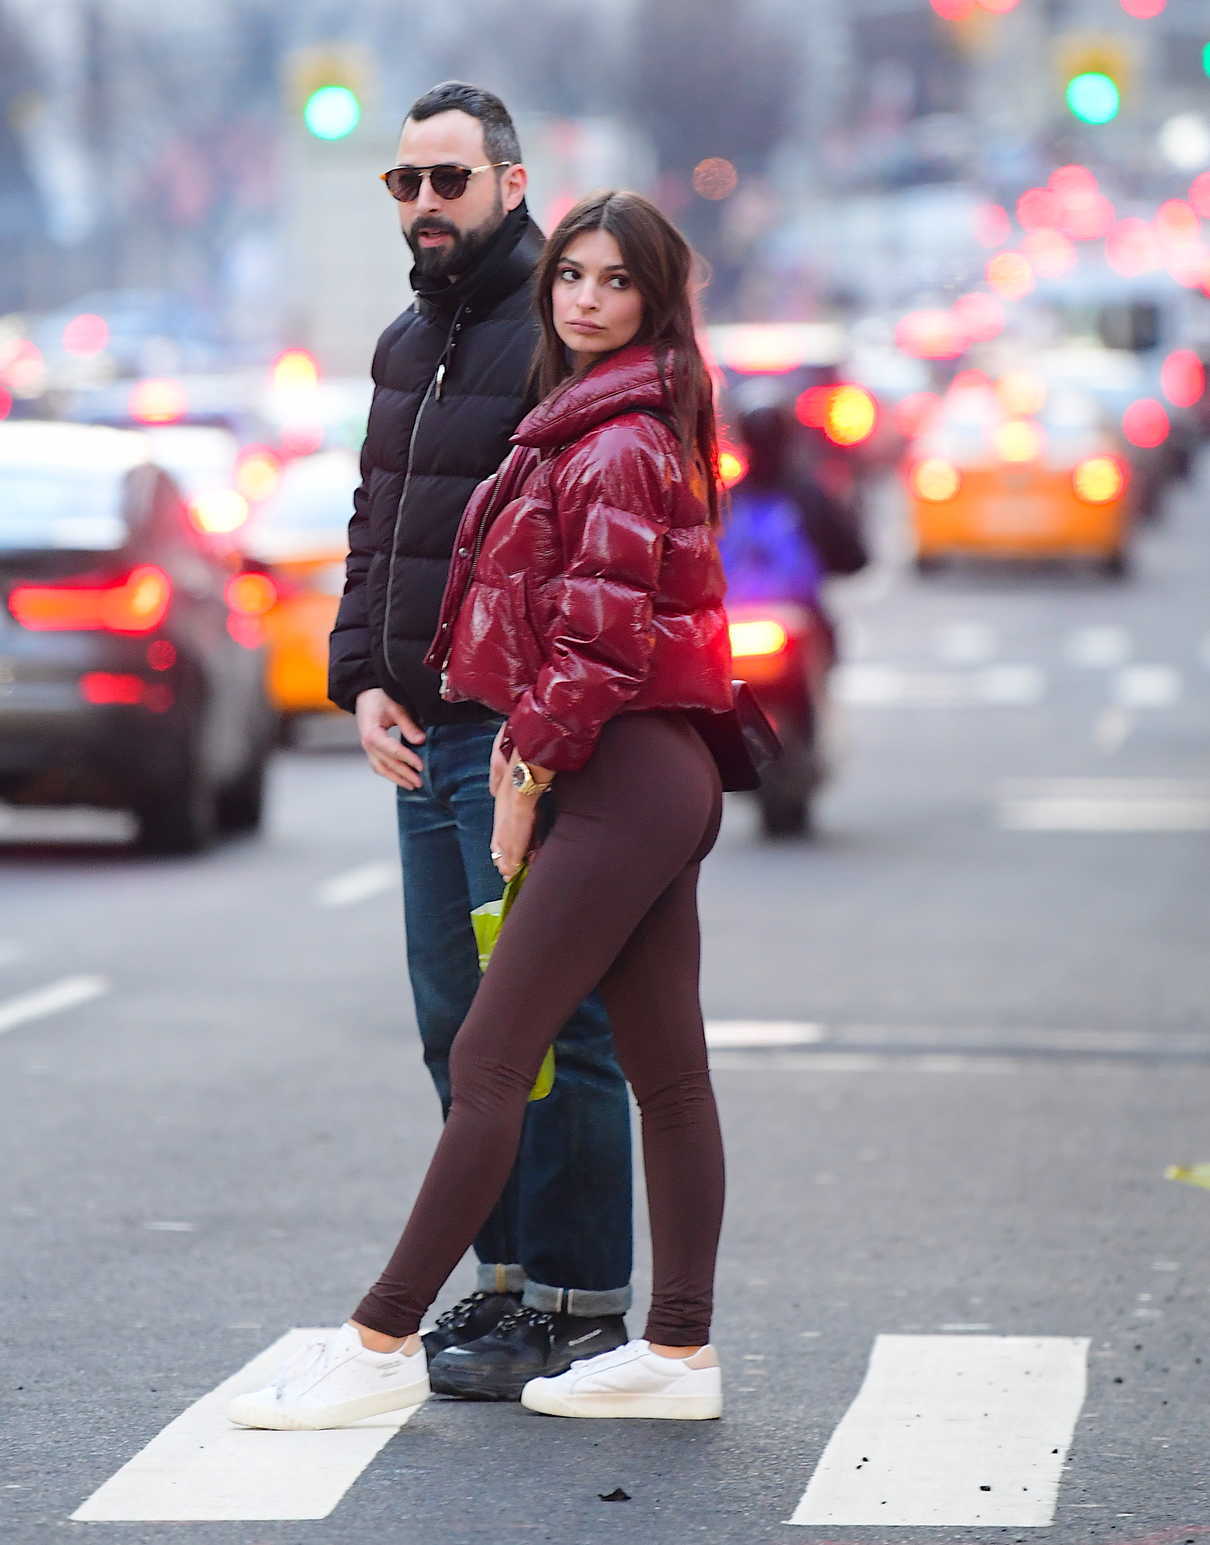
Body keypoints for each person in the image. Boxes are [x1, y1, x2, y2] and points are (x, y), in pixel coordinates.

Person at [229, 190, 734, 1431]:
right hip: (645, 771)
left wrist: (522, 784)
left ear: (654, 300)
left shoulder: (613, 434)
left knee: (492, 1056)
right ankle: (677, 1353)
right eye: (573, 276)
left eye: (617, 282)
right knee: (665, 1077)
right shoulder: (592, 418)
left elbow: (598, 650)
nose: (586, 300)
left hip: (613, 772)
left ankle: (377, 1336)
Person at [325, 82, 634, 1402]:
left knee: (553, 1024)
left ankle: (576, 1305)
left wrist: (536, 732)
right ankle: (500, 1285)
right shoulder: (409, 340)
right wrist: (359, 680)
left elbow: (579, 549)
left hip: (516, 747)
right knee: (459, 1029)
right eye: (405, 184)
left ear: (511, 184)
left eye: (449, 180)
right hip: (419, 740)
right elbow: (374, 519)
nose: (426, 205)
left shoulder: (551, 331)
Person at [724, 396, 868, 660]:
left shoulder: (726, 501)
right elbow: (853, 557)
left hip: (765, 627)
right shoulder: (809, 495)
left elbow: (851, 555)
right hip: (743, 627)